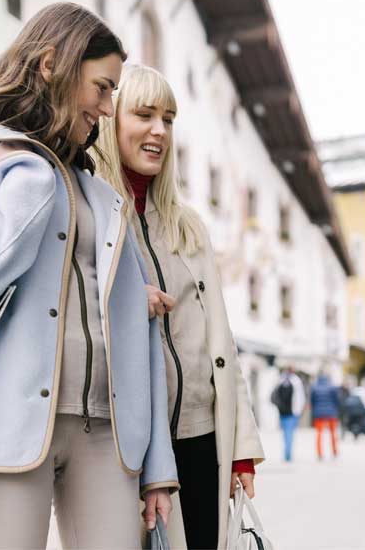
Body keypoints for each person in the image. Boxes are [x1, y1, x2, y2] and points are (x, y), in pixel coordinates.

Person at [0, 3, 177, 549]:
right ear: (52, 63)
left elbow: (137, 326)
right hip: (4, 428)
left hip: (107, 433)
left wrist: (157, 465)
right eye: (102, 88)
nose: (108, 108)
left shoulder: (99, 192)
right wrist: (28, 166)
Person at [92, 64, 264, 550]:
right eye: (144, 114)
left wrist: (241, 451)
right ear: (111, 121)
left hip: (201, 435)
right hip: (128, 442)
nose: (158, 131)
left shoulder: (188, 226)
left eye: (168, 119)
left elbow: (221, 342)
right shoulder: (92, 213)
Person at [270, 367, 306, 461]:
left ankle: (286, 453)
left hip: (282, 411)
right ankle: (288, 454)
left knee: (285, 433)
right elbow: (300, 398)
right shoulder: (296, 381)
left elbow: (273, 395)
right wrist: (299, 410)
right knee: (290, 433)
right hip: (292, 412)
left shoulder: (280, 380)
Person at [309, 374, 342, 460]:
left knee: (319, 433)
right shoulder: (332, 387)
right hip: (331, 413)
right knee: (333, 433)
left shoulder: (314, 387)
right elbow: (337, 400)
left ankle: (319, 453)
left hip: (318, 413)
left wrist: (314, 410)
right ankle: (334, 451)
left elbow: (312, 401)